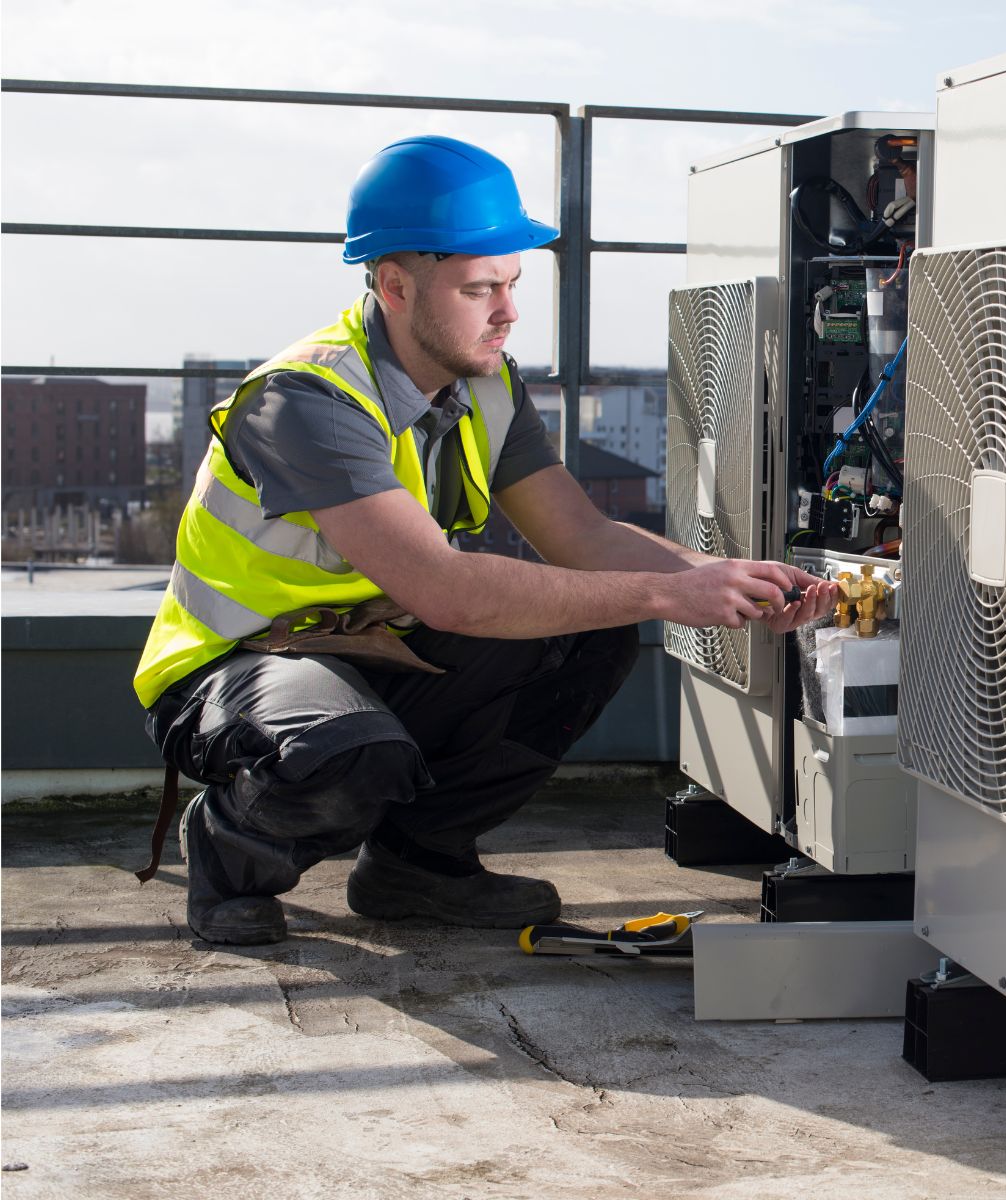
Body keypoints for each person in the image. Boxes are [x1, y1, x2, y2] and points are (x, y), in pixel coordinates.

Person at [132, 135, 836, 946]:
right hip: (241, 665)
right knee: (352, 755)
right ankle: (230, 855)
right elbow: (447, 590)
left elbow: (584, 536)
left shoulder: (487, 386)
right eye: (479, 289)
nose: (507, 312)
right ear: (394, 285)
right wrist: (673, 592)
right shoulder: (307, 401)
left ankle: (417, 864)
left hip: (375, 649)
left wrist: (733, 579)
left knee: (591, 633)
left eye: (511, 284)